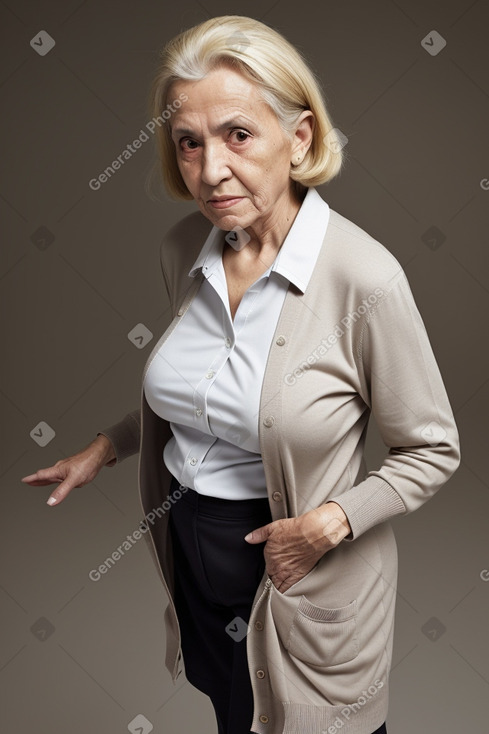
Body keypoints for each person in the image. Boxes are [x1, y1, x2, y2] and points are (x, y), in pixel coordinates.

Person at [21, 15, 460, 734]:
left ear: (300, 138)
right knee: (234, 718)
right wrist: (104, 447)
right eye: (188, 143)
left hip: (300, 564)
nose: (210, 169)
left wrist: (326, 525)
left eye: (238, 135)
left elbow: (434, 448)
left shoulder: (364, 277)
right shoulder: (183, 247)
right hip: (193, 549)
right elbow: (204, 396)